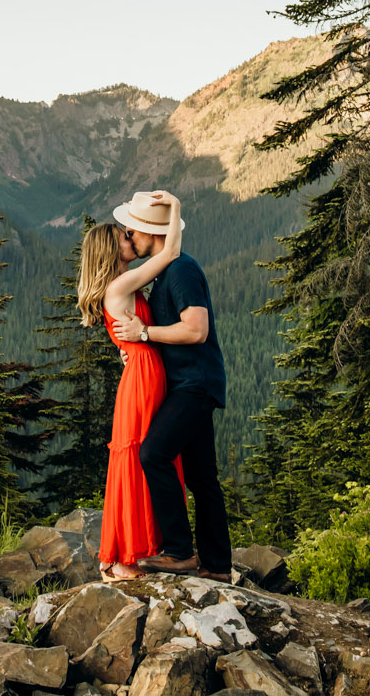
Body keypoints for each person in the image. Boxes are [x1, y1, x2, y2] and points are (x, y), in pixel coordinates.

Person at [111, 189, 231, 579]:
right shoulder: (167, 269)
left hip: (193, 384)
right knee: (201, 477)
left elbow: (196, 330)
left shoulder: (179, 271)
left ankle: (180, 552)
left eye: (134, 230)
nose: (130, 235)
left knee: (153, 454)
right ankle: (216, 566)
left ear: (152, 232)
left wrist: (145, 335)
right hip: (191, 382)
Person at [75, 192, 184, 580]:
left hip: (142, 370)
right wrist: (174, 208)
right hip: (142, 376)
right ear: (112, 250)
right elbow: (170, 252)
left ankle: (132, 553)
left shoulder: (120, 287)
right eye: (124, 237)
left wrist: (132, 347)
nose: (130, 237)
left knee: (145, 456)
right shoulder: (119, 288)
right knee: (140, 456)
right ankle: (123, 558)